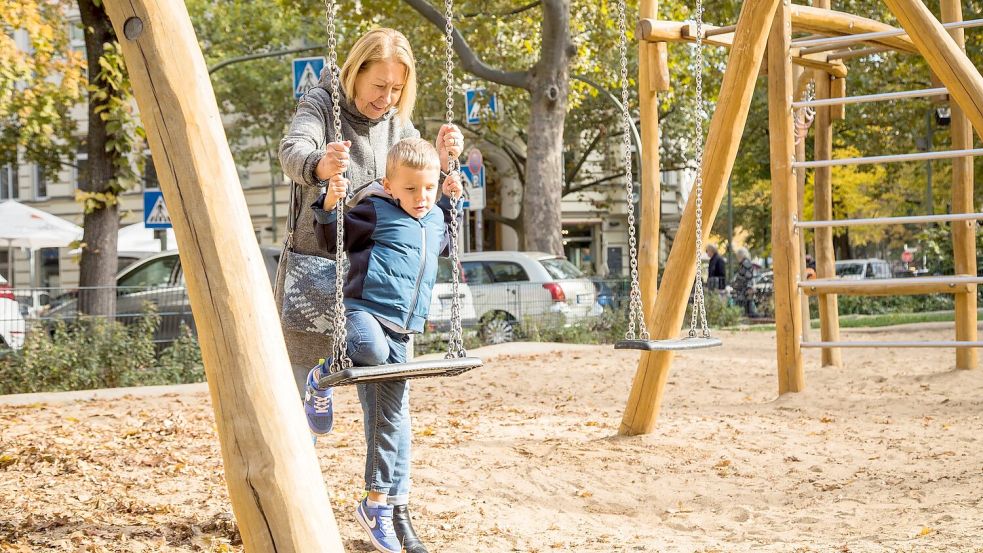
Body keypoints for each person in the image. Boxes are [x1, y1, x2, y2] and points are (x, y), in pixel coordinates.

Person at [277, 28, 462, 553]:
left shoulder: (395, 121)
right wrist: (319, 165)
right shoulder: (323, 105)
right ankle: (291, 512)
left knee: (388, 398)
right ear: (355, 72)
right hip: (319, 274)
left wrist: (446, 162)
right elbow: (292, 152)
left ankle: (392, 509)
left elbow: (415, 175)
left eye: (397, 90)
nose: (386, 99)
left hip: (374, 283)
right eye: (378, 85)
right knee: (302, 405)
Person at [306, 138, 462, 553]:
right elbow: (332, 238)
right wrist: (329, 205)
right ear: (390, 186)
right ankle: (320, 378)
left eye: (428, 188)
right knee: (369, 351)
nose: (420, 197)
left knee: (391, 421)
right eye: (410, 189)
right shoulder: (375, 211)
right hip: (363, 312)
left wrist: (452, 202)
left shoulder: (433, 220)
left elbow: (442, 243)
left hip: (403, 332)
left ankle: (376, 503)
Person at [731, 247, 758, 318]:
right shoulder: (744, 263)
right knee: (747, 304)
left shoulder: (746, 263)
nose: (737, 257)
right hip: (744, 288)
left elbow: (748, 276)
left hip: (745, 288)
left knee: (748, 303)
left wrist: (749, 287)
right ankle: (749, 315)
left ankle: (751, 316)